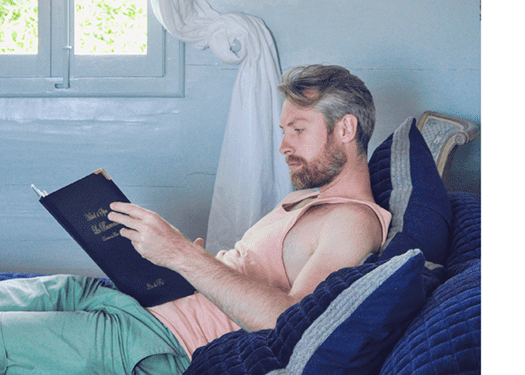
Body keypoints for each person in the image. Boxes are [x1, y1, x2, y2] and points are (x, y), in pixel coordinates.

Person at [0, 65, 391, 375]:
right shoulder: (306, 198)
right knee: (43, 290)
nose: (283, 146)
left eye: (298, 130)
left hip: (156, 340)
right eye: (283, 131)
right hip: (139, 301)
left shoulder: (352, 222)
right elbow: (247, 275)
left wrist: (180, 255)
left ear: (345, 128)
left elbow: (292, 325)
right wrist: (193, 261)